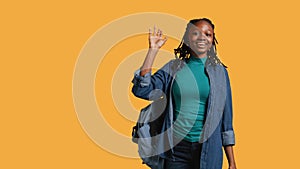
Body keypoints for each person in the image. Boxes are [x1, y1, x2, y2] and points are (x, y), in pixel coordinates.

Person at [131, 18, 237, 169]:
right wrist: (152, 51)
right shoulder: (174, 68)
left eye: (208, 34)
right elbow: (143, 90)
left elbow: (226, 120)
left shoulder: (220, 73)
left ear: (212, 41)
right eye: (196, 33)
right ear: (188, 38)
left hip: (208, 150)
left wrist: (232, 162)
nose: (202, 37)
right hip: (176, 149)